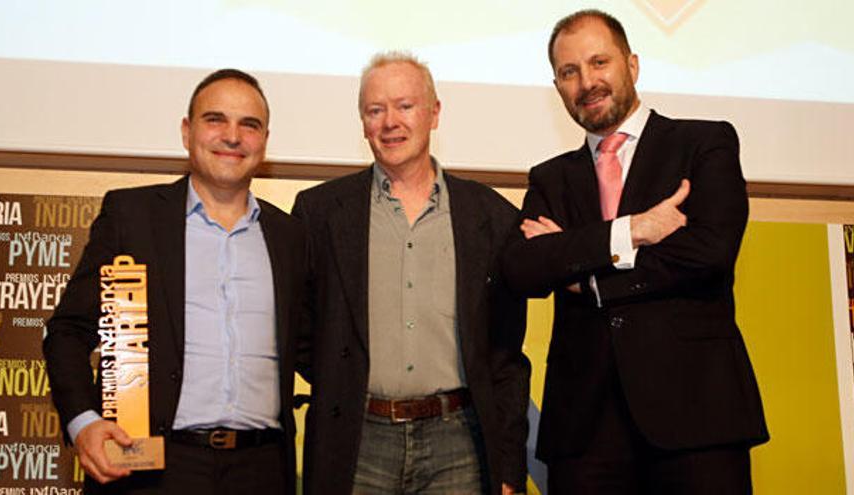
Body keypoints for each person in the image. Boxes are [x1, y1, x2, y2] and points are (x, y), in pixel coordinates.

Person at [503, 10, 768, 494]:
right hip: (584, 431)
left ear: (633, 65)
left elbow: (709, 252)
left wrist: (588, 276)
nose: (586, 82)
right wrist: (632, 232)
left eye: (599, 62)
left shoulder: (704, 143)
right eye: (569, 72)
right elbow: (524, 268)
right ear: (557, 86)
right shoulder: (549, 177)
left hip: (698, 418)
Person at [43, 69, 305, 494]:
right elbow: (67, 331)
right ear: (187, 132)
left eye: (249, 124)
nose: (232, 136)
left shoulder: (290, 236)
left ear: (265, 140)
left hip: (262, 471)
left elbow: (315, 349)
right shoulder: (132, 217)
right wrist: (84, 423)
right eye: (215, 119)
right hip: (152, 469)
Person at [292, 52, 530, 495]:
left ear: (434, 114)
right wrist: (339, 378)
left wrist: (510, 465)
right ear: (362, 123)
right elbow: (301, 328)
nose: (389, 122)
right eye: (374, 110)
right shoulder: (319, 212)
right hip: (357, 440)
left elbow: (505, 355)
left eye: (405, 106)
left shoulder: (492, 217)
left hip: (459, 442)